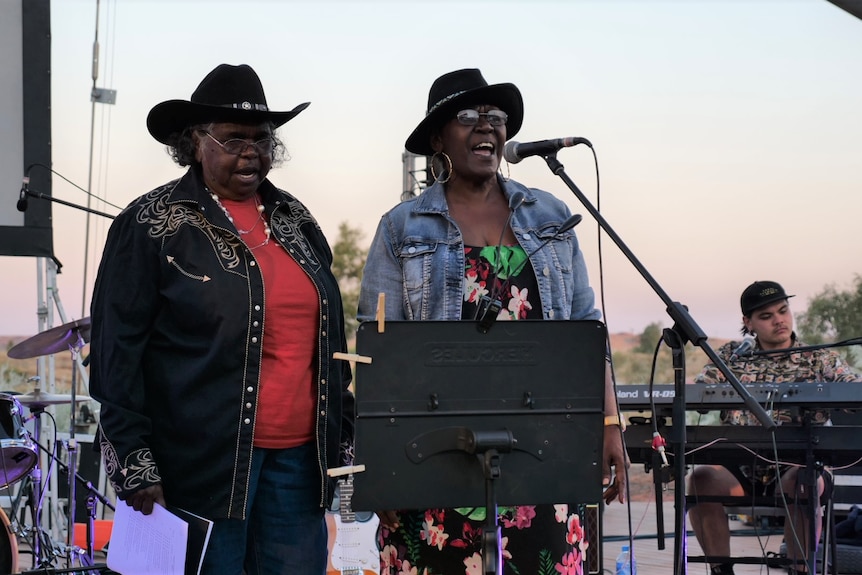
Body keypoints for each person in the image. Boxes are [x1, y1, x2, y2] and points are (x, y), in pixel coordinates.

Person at [357, 68, 628, 575]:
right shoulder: (402, 227)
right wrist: (381, 464)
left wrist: (610, 423)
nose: (486, 128)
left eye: (495, 118)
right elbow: (378, 350)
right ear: (438, 136)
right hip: (432, 444)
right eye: (468, 117)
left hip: (542, 440)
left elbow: (587, 330)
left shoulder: (550, 214)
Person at [89, 63, 355, 575]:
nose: (251, 151)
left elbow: (331, 348)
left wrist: (342, 440)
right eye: (233, 138)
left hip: (299, 468)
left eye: (262, 139)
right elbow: (115, 353)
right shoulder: (149, 224)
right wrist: (134, 460)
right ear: (195, 142)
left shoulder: (298, 221)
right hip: (197, 468)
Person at [689, 280, 860, 575]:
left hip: (798, 465)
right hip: (740, 468)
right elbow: (699, 396)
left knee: (804, 481)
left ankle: (800, 570)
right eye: (766, 316)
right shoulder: (731, 356)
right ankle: (721, 571)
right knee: (700, 479)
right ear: (748, 323)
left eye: (783, 311)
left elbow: (855, 393)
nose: (779, 320)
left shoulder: (820, 358)